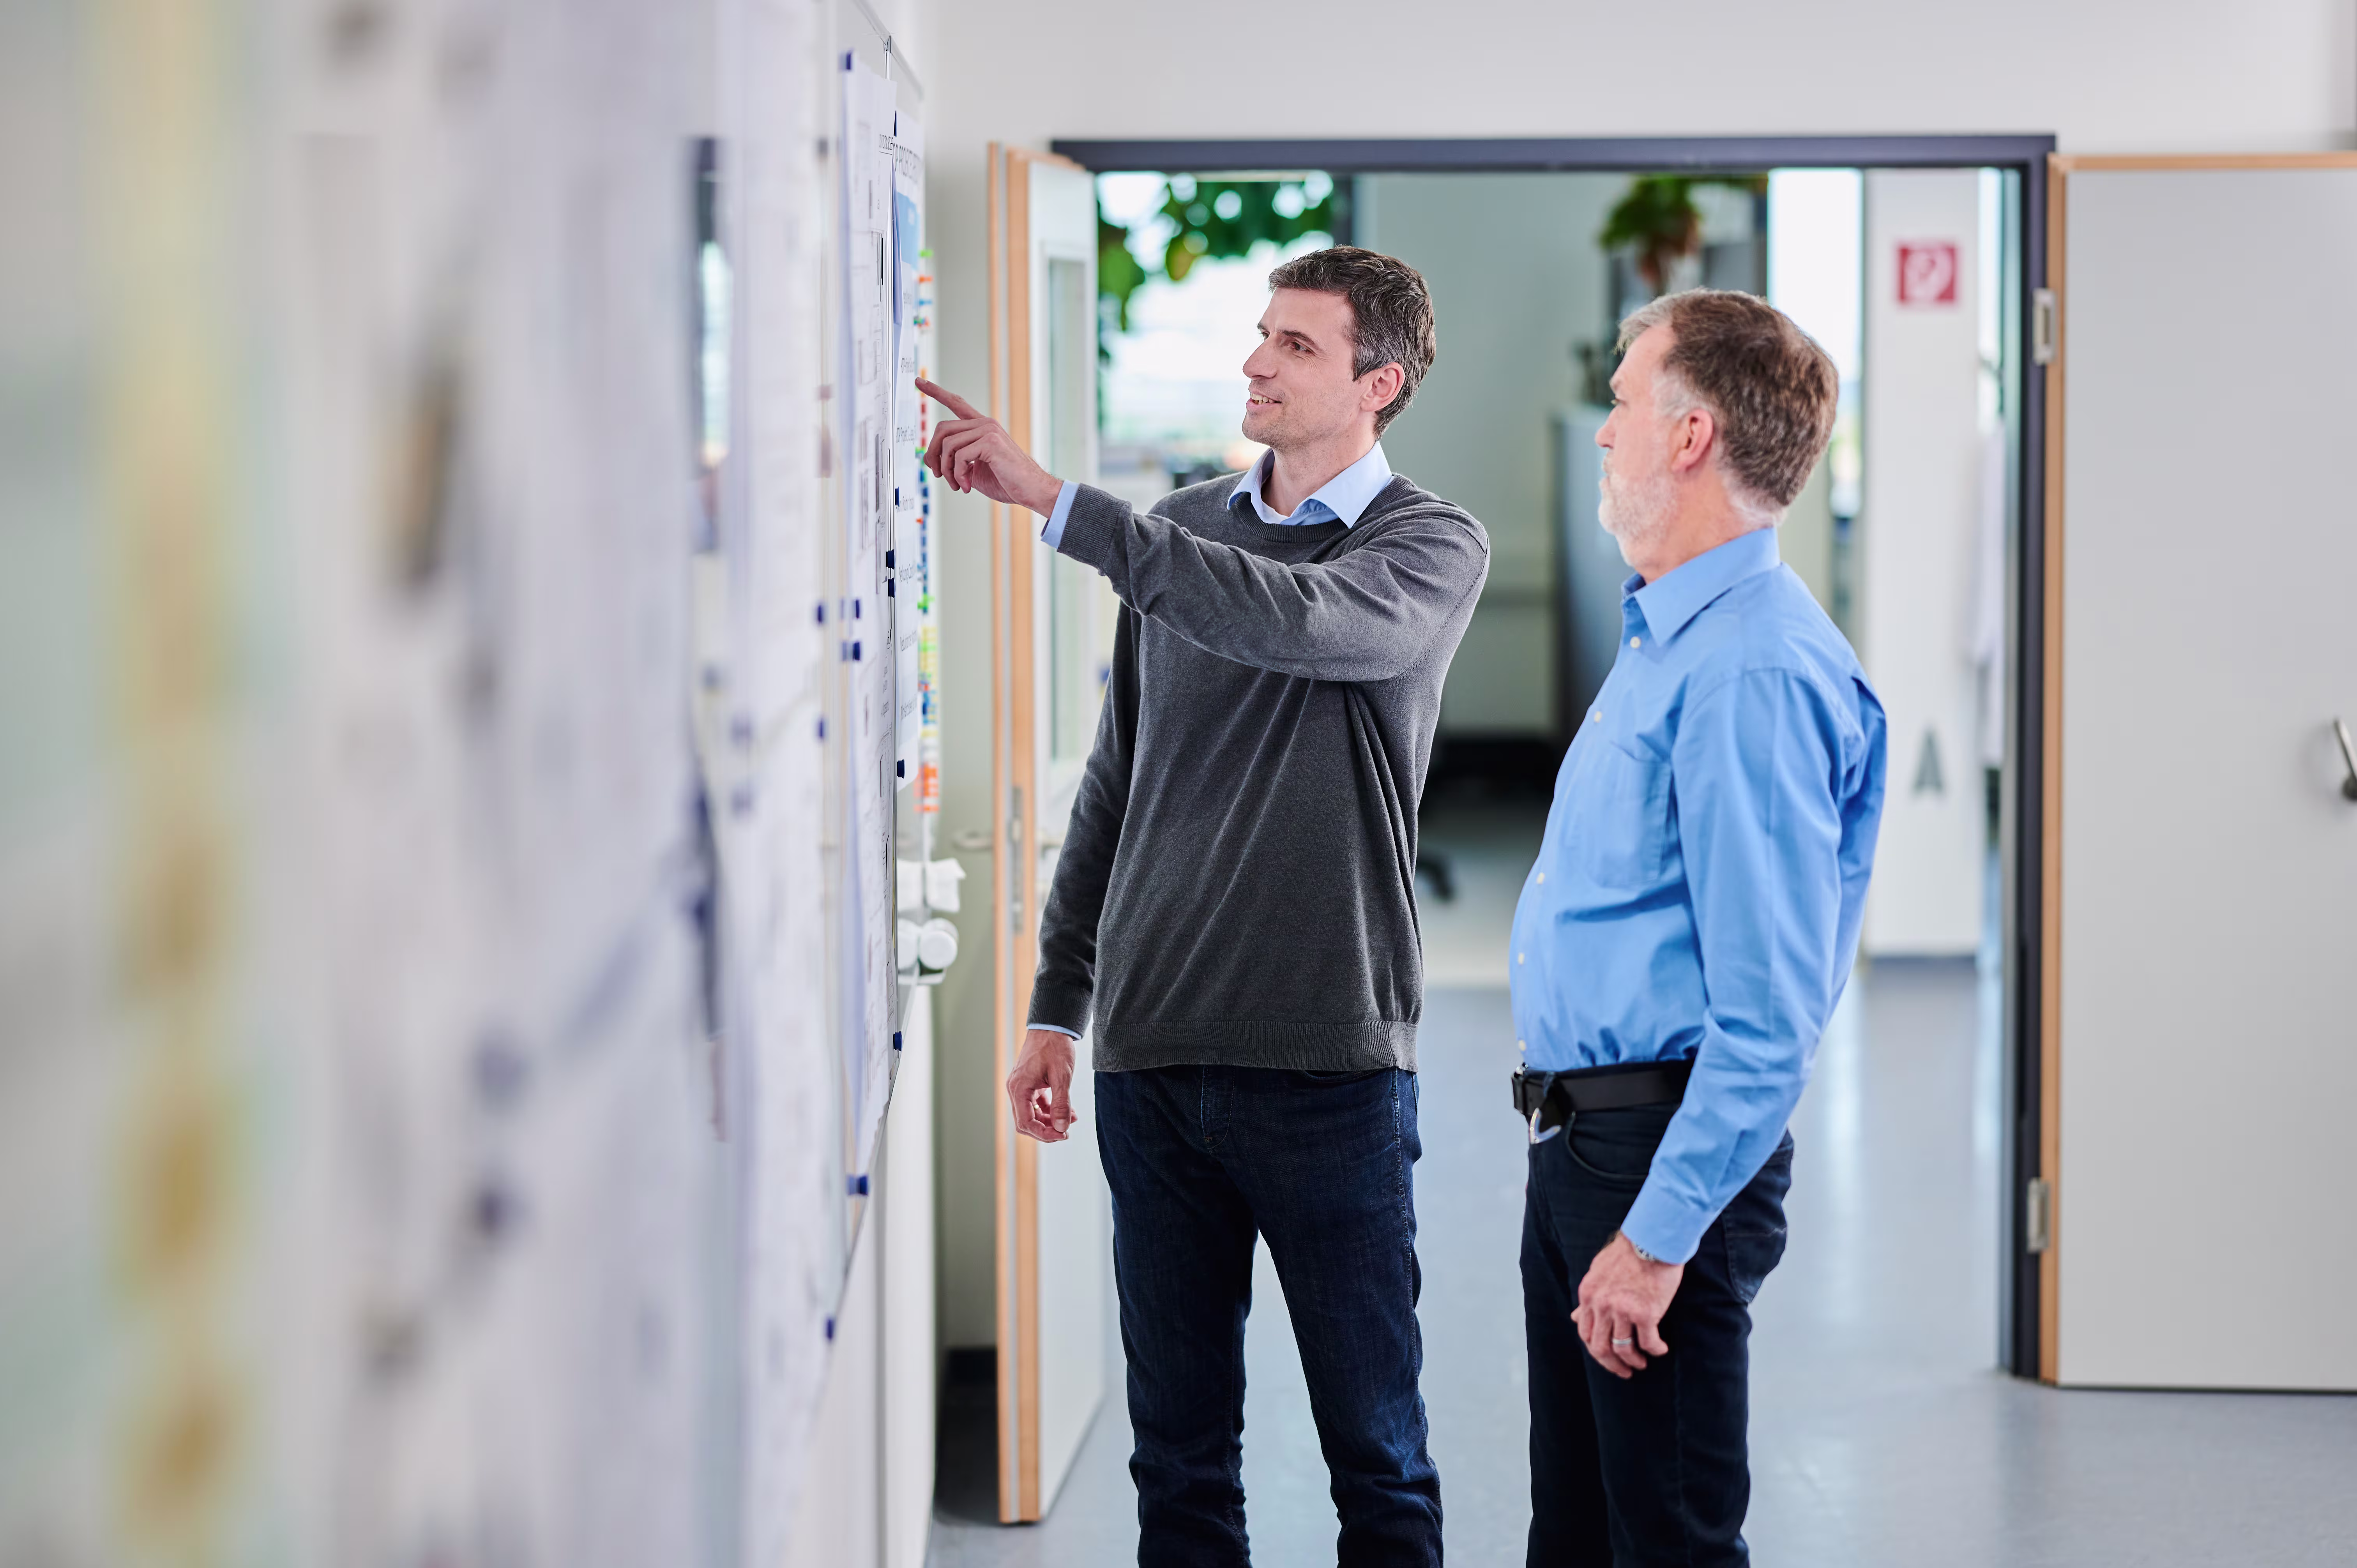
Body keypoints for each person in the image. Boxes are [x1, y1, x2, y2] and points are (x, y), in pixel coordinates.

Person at [920, 246, 1488, 1568]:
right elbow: (1122, 781)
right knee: (1178, 1463)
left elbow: (1300, 622)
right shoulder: (1185, 530)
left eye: (1296, 345)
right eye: (1261, 335)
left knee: (1379, 1460)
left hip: (1330, 1072)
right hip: (1156, 1062)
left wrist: (1068, 507)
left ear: (1377, 383)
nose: (1257, 362)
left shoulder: (1425, 549)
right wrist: (1060, 1005)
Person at [1509, 289, 1887, 1566]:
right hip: (1584, 1141)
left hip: (1656, 1159)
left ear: (1689, 436)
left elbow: (1771, 1011)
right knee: (1579, 1534)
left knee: (1664, 1537)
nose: (1604, 433)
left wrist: (1658, 1239)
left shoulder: (1751, 672)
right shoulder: (1671, 632)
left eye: (1622, 404)